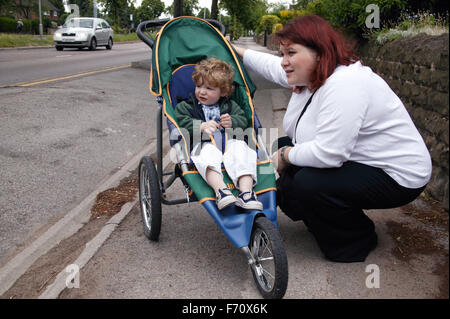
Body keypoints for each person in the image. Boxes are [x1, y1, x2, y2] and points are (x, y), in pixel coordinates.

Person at [233, 15, 432, 262]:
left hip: (398, 174)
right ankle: (321, 213)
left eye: (291, 53)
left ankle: (355, 239)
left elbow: (330, 153)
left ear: (319, 52)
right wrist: (232, 48)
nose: (284, 62)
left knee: (308, 181)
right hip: (362, 159)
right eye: (283, 53)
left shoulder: (346, 83)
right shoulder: (312, 72)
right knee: (285, 145)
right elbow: (270, 66)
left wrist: (284, 158)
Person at [175, 57, 263, 211]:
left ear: (223, 92)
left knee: (243, 151)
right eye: (199, 86)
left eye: (209, 88)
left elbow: (244, 121)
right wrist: (200, 125)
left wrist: (233, 122)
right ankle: (221, 191)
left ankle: (246, 193)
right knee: (205, 155)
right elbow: (180, 124)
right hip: (204, 143)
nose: (202, 91)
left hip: (230, 143)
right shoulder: (186, 107)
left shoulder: (230, 106)